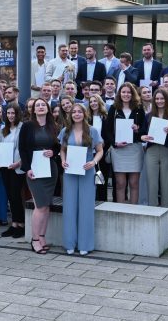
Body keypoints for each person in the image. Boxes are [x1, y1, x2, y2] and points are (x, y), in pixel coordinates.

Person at [59, 103, 104, 255]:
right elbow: (62, 150)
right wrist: (62, 161)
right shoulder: (65, 131)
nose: (76, 114)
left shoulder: (92, 130)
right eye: (74, 112)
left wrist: (94, 162)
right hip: (70, 171)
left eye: (79, 112)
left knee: (86, 208)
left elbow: (100, 150)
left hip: (87, 170)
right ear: (70, 115)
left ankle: (85, 244)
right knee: (70, 207)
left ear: (85, 114)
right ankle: (70, 243)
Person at [19, 98, 61, 254]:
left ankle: (42, 236)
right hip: (34, 169)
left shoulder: (53, 126)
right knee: (40, 205)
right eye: (38, 105)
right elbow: (22, 149)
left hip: (50, 169)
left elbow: (58, 146)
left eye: (44, 105)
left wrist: (54, 152)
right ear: (33, 110)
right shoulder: (27, 126)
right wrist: (27, 168)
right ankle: (35, 240)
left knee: (46, 205)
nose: (41, 107)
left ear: (48, 109)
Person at [106, 83, 147, 204]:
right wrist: (114, 143)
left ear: (133, 94)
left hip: (134, 148)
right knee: (120, 183)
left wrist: (137, 129)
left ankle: (133, 211)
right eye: (123, 92)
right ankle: (120, 210)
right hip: (118, 150)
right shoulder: (114, 108)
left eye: (129, 92)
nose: (126, 94)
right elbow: (108, 130)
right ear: (119, 94)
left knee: (134, 183)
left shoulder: (139, 109)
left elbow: (144, 130)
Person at [140, 89, 168, 208]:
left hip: (167, 151)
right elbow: (142, 133)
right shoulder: (148, 116)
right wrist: (143, 136)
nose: (159, 101)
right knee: (152, 183)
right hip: (151, 151)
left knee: (166, 183)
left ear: (166, 99)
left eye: (162, 98)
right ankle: (152, 211)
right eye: (157, 99)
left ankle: (166, 212)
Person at [0, 103, 25, 238]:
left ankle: (21, 225)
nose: (10, 116)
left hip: (17, 167)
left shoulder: (23, 128)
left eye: (13, 113)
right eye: (8, 113)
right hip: (5, 167)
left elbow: (24, 149)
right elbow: (1, 147)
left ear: (18, 114)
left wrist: (18, 163)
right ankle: (14, 224)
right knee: (10, 196)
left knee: (16, 195)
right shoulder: (3, 129)